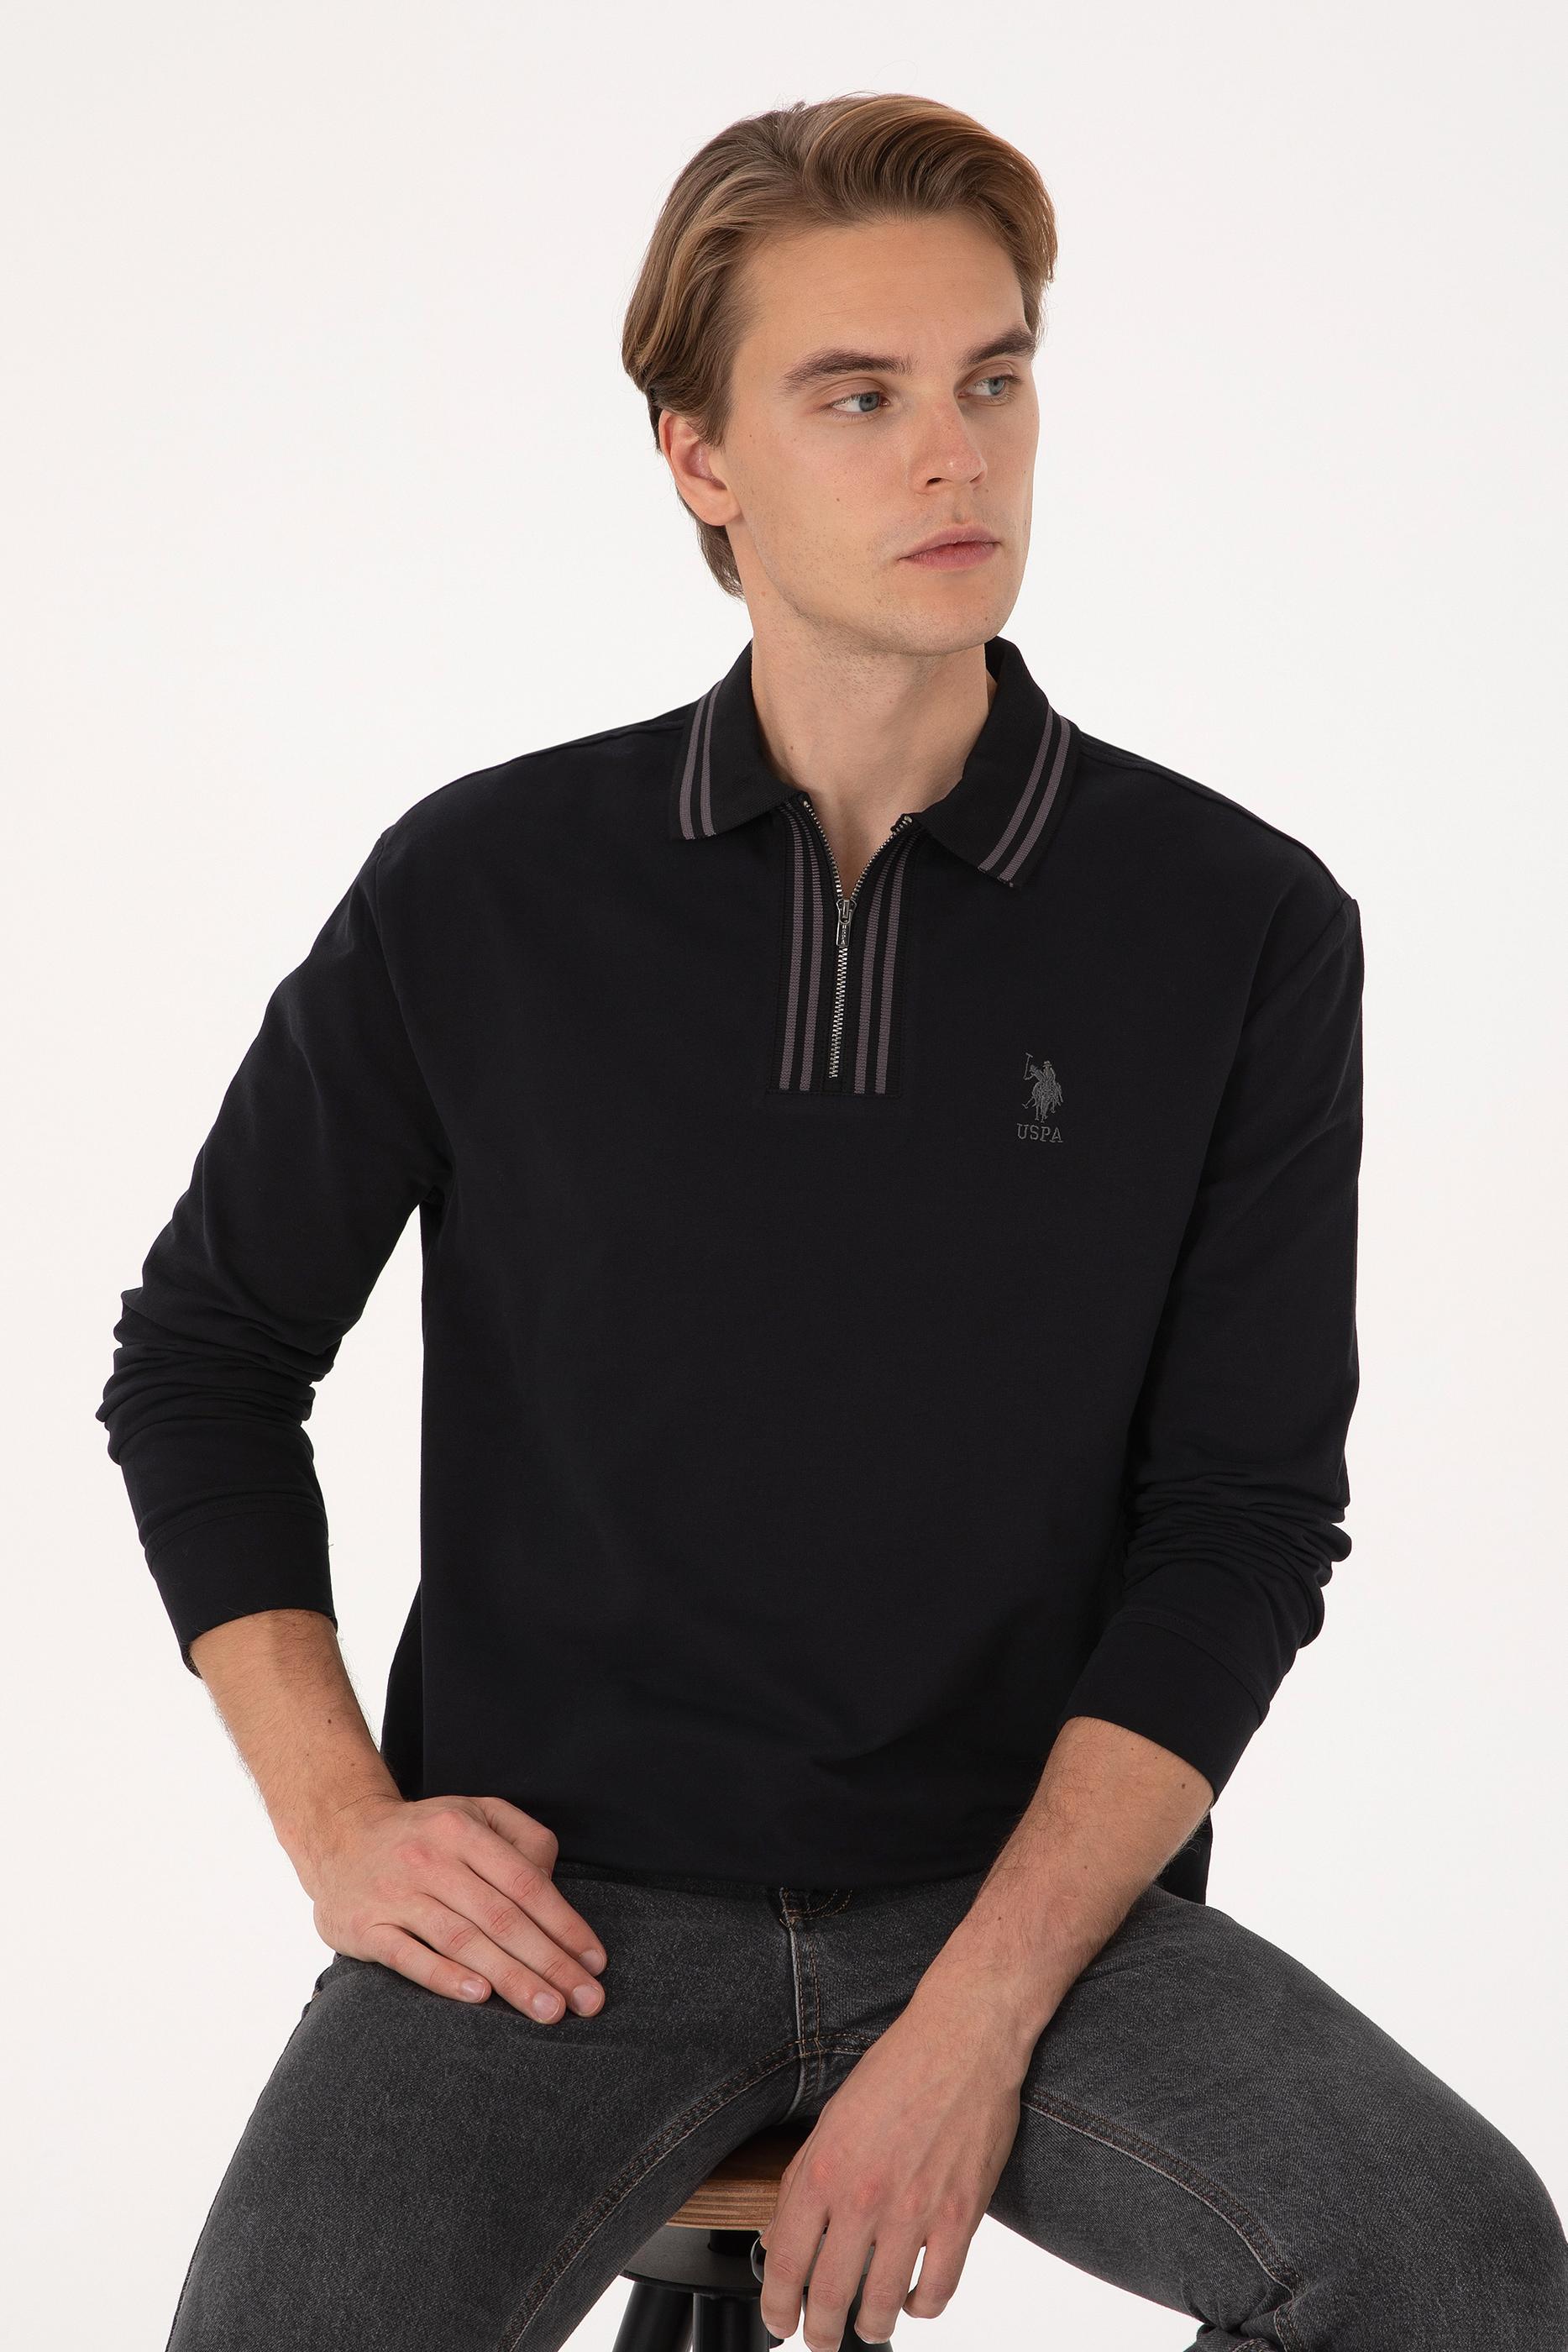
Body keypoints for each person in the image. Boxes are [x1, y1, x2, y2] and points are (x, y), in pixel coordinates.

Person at [97, 90, 1566, 2352]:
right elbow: (204, 1358)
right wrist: (341, 1823)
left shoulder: (1237, 925)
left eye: (994, 378)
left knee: (1462, 2272)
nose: (953, 455)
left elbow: (1244, 1523)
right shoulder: (484, 891)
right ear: (699, 457)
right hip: (555, 1916)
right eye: (857, 397)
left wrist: (972, 2020)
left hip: (1027, 1912)